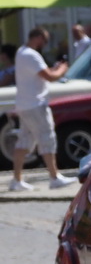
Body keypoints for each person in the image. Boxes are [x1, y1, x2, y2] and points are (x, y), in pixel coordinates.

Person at [9, 27, 73, 192]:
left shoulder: (21, 52)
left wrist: (54, 69)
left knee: (24, 141)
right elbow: (50, 77)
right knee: (47, 138)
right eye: (44, 40)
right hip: (35, 105)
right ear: (37, 37)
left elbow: (40, 74)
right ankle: (54, 177)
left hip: (24, 105)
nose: (44, 44)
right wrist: (62, 69)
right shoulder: (31, 55)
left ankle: (17, 180)